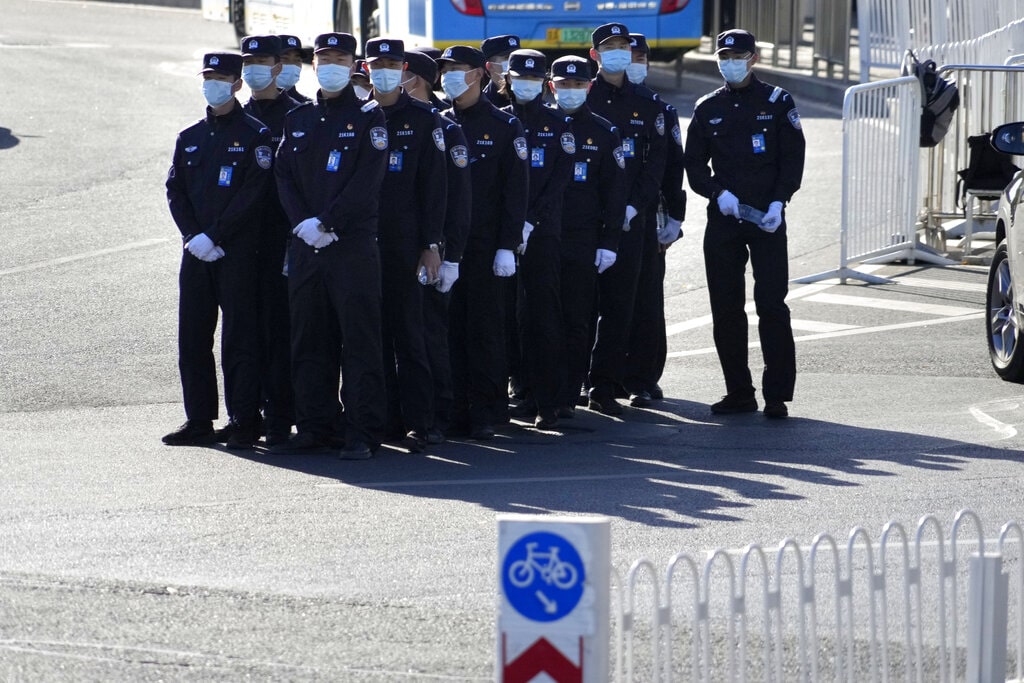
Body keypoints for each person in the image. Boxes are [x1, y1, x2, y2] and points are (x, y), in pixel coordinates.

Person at [273, 32, 390, 458]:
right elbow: (284, 176)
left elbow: (367, 182)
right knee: (309, 339)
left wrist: (327, 221)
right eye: (324, 58)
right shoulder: (298, 118)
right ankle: (313, 426)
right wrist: (304, 223)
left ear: (355, 63)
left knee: (358, 342)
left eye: (340, 58)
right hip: (307, 245)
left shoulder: (368, 118)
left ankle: (361, 431)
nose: (331, 65)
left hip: (351, 246)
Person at [684, 29, 805, 419]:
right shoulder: (706, 107)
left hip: (767, 218)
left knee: (771, 304)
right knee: (726, 306)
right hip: (725, 217)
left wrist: (779, 200)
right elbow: (694, 166)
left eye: (738, 55)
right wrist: (718, 194)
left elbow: (792, 158)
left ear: (753, 59)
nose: (729, 62)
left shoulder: (776, 101)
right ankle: (738, 390)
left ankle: (776, 393)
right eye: (724, 55)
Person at [163, 52, 273, 449]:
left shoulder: (255, 134)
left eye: (222, 78)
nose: (214, 85)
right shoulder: (189, 136)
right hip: (195, 252)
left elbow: (253, 193)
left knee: (239, 337)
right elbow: (175, 190)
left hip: (236, 253)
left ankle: (244, 418)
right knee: (192, 336)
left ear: (238, 85)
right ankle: (199, 419)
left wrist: (217, 235)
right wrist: (193, 236)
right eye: (208, 78)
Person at [436, 45, 529, 439]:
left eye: (458, 69)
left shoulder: (505, 126)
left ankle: (489, 411)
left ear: (477, 73)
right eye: (446, 70)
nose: (450, 76)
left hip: (488, 245)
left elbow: (516, 191)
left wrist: (508, 244)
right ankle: (455, 408)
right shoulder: (438, 122)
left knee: (486, 330)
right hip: (447, 246)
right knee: (449, 329)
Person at [365, 38, 448, 452]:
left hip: (408, 242)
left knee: (411, 334)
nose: (385, 71)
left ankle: (422, 421)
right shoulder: (356, 114)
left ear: (404, 71)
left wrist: (431, 244)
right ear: (365, 68)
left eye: (393, 64)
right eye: (377, 64)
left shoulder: (423, 118)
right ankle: (382, 421)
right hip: (361, 243)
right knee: (370, 336)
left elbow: (435, 187)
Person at [585, 22, 667, 416]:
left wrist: (634, 206)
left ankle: (606, 382)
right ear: (595, 55)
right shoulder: (581, 94)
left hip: (631, 220)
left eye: (623, 46)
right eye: (609, 47)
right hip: (585, 218)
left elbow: (656, 166)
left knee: (622, 304)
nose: (618, 53)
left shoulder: (648, 103)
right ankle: (575, 379)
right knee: (580, 302)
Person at [548, 55, 627, 419]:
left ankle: (566, 393)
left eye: (578, 85)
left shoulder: (604, 132)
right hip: (541, 237)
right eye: (563, 85)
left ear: (589, 87)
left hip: (582, 238)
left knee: (577, 319)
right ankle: (538, 391)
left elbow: (615, 194)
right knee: (537, 318)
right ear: (552, 87)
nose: (571, 91)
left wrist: (609, 242)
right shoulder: (538, 126)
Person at [501, 49, 575, 429]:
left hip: (541, 233)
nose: (525, 85)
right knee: (500, 317)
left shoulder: (557, 124)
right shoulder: (496, 119)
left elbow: (559, 180)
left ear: (544, 83)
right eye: (519, 77)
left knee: (542, 315)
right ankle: (511, 394)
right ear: (506, 79)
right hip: (500, 235)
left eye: (533, 78)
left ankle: (549, 401)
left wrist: (529, 222)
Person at [236, 35, 301, 447]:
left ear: (278, 67)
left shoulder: (298, 116)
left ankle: (280, 416)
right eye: (249, 62)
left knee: (281, 331)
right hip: (242, 242)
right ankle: (246, 414)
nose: (254, 68)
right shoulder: (237, 116)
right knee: (245, 330)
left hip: (283, 238)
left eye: (263, 61)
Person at [405, 48, 472, 443]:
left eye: (403, 73)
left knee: (430, 336)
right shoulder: (383, 120)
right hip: (395, 247)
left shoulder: (443, 128)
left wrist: (451, 256)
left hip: (433, 251)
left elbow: (456, 200)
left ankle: (438, 415)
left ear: (419, 81)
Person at [622, 33, 686, 407]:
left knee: (646, 301)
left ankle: (643, 378)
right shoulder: (591, 100)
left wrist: (674, 219)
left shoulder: (659, 108)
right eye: (625, 55)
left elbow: (672, 168)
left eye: (639, 57)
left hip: (646, 218)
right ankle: (598, 375)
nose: (633, 62)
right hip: (597, 219)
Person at [480, 34, 520, 107]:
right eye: (507, 58)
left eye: (517, 57)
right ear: (490, 66)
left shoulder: (531, 98)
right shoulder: (483, 105)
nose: (515, 61)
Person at [276, 35, 312, 103]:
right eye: (285, 59)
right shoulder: (254, 105)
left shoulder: (307, 107)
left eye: (297, 60)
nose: (292, 65)